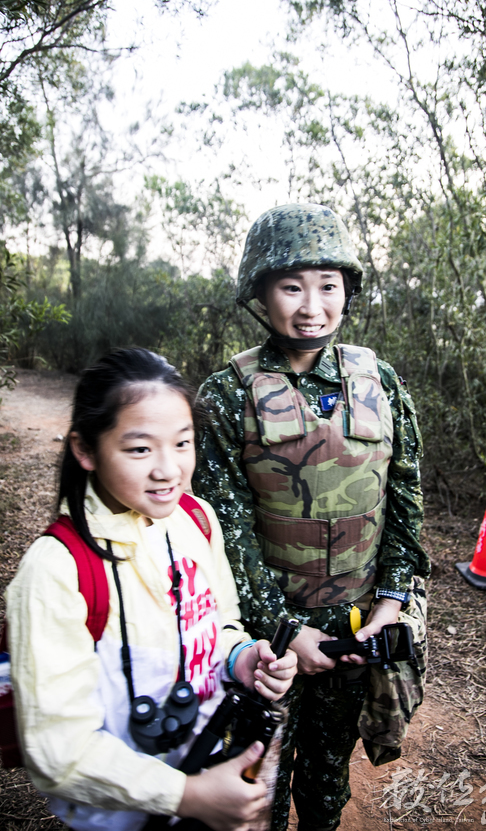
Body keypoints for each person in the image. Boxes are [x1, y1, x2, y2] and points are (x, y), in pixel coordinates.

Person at [192, 203, 431, 831]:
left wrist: (389, 605)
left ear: (347, 291)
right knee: (256, 789)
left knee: (327, 785)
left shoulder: (380, 380)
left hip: (357, 631)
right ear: (261, 294)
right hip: (268, 646)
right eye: (291, 286)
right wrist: (285, 630)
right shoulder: (225, 396)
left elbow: (404, 502)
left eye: (328, 286)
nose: (311, 305)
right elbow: (224, 533)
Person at [5, 347, 297, 831]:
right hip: (125, 814)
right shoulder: (59, 571)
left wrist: (240, 656)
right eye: (140, 448)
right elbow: (59, 751)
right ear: (85, 450)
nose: (169, 469)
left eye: (183, 443)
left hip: (210, 766)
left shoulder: (195, 519)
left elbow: (219, 621)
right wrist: (188, 795)